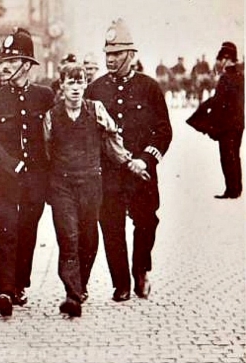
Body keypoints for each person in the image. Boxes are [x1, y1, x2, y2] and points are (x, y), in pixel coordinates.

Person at [85, 18, 172, 302]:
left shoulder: (150, 88)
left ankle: (141, 270)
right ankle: (120, 283)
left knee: (147, 222)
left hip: (141, 173)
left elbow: (163, 131)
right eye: (107, 54)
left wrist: (146, 160)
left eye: (117, 54)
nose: (110, 60)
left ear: (131, 55)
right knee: (111, 226)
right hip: (109, 174)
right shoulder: (95, 90)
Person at [45, 63, 133, 318]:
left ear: (85, 84)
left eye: (80, 82)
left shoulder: (96, 110)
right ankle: (72, 293)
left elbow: (112, 139)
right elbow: (47, 150)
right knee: (68, 237)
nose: (75, 88)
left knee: (88, 237)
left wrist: (127, 162)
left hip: (91, 184)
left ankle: (81, 284)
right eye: (70, 82)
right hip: (62, 185)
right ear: (61, 85)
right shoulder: (51, 116)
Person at [0, 27, 55, 317]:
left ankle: (19, 283)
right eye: (4, 61)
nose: (6, 67)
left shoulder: (45, 97)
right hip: (4, 181)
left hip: (36, 180)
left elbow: (53, 137)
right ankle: (4, 290)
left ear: (27, 64)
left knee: (26, 232)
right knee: (4, 231)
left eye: (13, 62)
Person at [186, 42, 244, 199]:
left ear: (226, 58)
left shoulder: (226, 78)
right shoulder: (241, 76)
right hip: (239, 123)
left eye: (220, 59)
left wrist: (202, 110)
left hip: (227, 125)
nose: (219, 63)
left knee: (227, 157)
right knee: (235, 155)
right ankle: (237, 188)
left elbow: (218, 101)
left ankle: (231, 191)